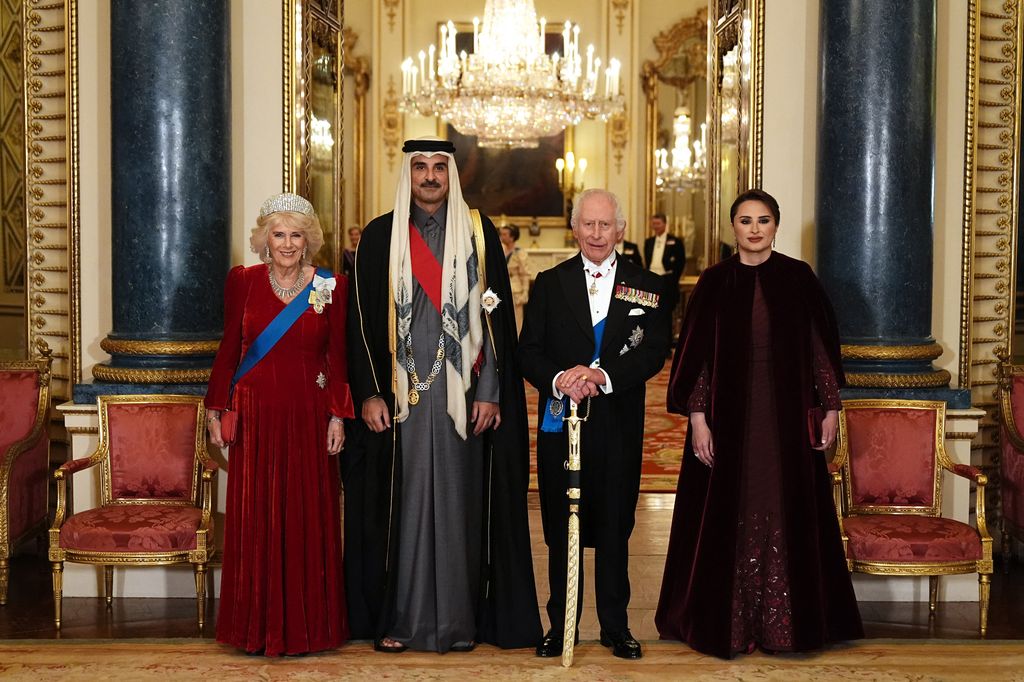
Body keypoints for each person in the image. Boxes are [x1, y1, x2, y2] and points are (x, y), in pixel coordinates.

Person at [344, 137, 542, 653]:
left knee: (460, 508)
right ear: (406, 174)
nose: (430, 177)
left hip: (465, 397)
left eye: (438, 167)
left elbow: (496, 317)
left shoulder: (477, 232)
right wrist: (368, 393)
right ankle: (402, 621)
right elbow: (360, 324)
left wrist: (493, 392)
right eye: (420, 168)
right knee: (403, 512)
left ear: (451, 173)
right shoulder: (381, 236)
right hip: (400, 399)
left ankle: (458, 624)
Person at [655, 188, 862, 658]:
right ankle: (728, 624)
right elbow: (697, 362)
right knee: (731, 508)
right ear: (733, 228)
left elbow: (820, 350)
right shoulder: (712, 283)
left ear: (775, 226)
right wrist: (699, 420)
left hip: (786, 419)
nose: (754, 229)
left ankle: (787, 629)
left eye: (762, 220)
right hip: (728, 421)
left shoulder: (798, 278)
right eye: (745, 220)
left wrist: (830, 409)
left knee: (785, 505)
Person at [518, 188, 672, 660]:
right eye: (589, 224)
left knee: (614, 526)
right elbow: (528, 352)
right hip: (562, 424)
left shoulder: (645, 286)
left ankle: (615, 626)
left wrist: (603, 376)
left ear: (620, 229)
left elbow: (653, 351)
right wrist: (561, 377)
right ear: (575, 227)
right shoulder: (549, 282)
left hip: (618, 422)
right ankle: (559, 626)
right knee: (562, 528)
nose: (597, 233)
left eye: (606, 225)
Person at [205, 192, 353, 656]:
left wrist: (337, 415)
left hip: (309, 415)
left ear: (309, 241)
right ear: (264, 239)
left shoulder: (332, 285)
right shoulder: (243, 281)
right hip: (255, 416)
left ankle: (310, 628)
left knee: (308, 515)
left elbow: (338, 357)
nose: (288, 244)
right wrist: (216, 409)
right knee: (256, 517)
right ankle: (253, 627)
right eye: (278, 234)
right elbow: (230, 347)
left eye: (296, 235)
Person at [499, 223, 531, 333]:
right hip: (501, 288)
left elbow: (525, 274)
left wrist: (525, 291)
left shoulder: (520, 253)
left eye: (504, 234)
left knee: (516, 321)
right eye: (501, 234)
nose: (502, 236)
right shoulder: (500, 251)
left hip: (515, 290)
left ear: (512, 237)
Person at [643, 213, 686, 284]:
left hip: (668, 279)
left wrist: (674, 278)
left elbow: (681, 261)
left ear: (665, 224)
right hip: (651, 279)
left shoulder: (676, 241)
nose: (656, 226)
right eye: (654, 224)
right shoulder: (648, 242)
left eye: (658, 223)